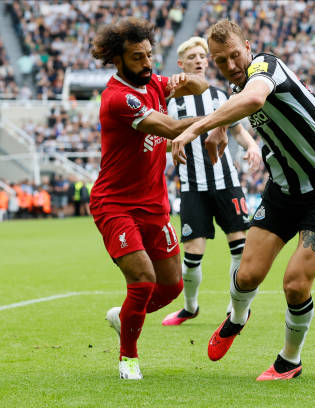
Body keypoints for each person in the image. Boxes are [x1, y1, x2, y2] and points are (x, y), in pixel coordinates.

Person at [171, 20, 315, 381]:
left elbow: (254, 98)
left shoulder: (265, 66)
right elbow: (241, 103)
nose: (231, 65)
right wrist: (221, 126)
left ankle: (290, 360)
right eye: (221, 61)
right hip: (284, 189)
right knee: (248, 273)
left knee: (295, 283)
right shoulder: (236, 86)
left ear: (249, 47)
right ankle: (237, 318)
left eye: (235, 55)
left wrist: (199, 127)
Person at [89, 17, 209, 380]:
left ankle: (123, 316)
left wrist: (183, 81)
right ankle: (128, 359)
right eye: (138, 58)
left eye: (149, 55)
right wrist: (223, 117)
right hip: (115, 204)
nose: (147, 63)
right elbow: (173, 128)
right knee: (142, 281)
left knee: (171, 287)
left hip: (154, 204)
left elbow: (202, 85)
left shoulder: (154, 82)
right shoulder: (118, 99)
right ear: (118, 59)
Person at [161, 36, 262, 327]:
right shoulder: (170, 102)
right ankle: (190, 307)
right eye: (191, 56)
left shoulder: (221, 96)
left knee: (240, 248)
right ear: (181, 63)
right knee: (192, 254)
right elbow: (163, 141)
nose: (198, 60)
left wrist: (252, 146)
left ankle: (235, 308)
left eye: (202, 56)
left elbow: (238, 131)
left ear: (207, 61)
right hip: (192, 186)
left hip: (226, 182)